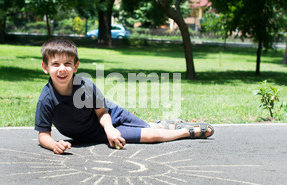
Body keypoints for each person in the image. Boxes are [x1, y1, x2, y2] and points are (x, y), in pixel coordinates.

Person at [35, 38, 214, 155]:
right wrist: (54, 145)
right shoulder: (47, 99)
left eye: (67, 63)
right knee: (150, 136)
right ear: (45, 67)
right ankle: (185, 132)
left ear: (75, 66)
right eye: (55, 64)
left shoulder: (85, 86)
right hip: (93, 134)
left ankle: (164, 125)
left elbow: (102, 112)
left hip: (110, 116)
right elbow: (43, 135)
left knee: (144, 126)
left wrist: (110, 129)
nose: (62, 69)